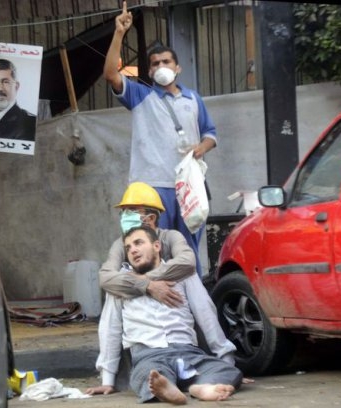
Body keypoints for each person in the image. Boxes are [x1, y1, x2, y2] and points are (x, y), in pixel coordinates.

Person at [103, 1, 218, 277]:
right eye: (155, 63)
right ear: (150, 71)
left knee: (187, 250)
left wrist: (201, 147)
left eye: (166, 62)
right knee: (151, 252)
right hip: (150, 189)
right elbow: (110, 74)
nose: (161, 66)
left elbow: (211, 134)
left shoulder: (193, 99)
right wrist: (119, 33)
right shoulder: (140, 95)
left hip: (187, 187)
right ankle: (155, 299)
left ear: (178, 68)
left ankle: (191, 300)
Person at [86, 226, 242, 404]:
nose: (133, 250)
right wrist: (107, 381)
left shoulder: (182, 274)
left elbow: (206, 313)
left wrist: (225, 357)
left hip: (188, 352)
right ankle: (173, 388)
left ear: (157, 246)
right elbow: (110, 328)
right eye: (128, 248)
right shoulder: (120, 284)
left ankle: (197, 388)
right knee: (149, 376)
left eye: (138, 243)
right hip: (149, 356)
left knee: (229, 371)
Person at [100, 181, 196, 307]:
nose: (125, 216)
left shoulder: (171, 237)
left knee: (190, 276)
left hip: (172, 302)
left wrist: (145, 278)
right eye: (124, 211)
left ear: (151, 218)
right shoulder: (121, 243)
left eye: (132, 210)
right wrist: (147, 286)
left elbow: (188, 262)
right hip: (136, 305)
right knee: (113, 290)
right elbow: (106, 277)